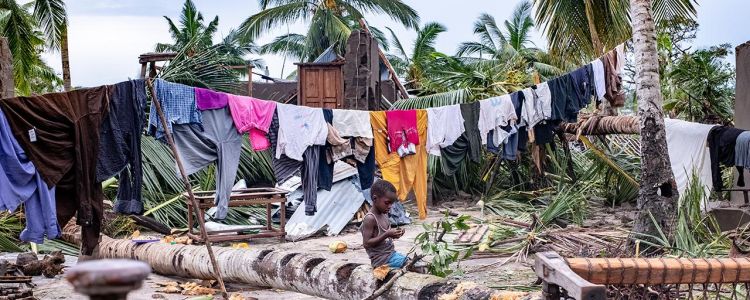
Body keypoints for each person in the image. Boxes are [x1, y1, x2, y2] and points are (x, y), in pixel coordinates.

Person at [361, 180, 407, 268]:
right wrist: (387, 234)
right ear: (375, 199)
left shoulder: (384, 214)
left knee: (416, 261)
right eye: (387, 203)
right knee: (413, 265)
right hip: (381, 261)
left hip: (390, 255)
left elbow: (385, 236)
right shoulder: (370, 218)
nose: (390, 206)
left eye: (392, 203)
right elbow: (366, 243)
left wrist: (395, 234)